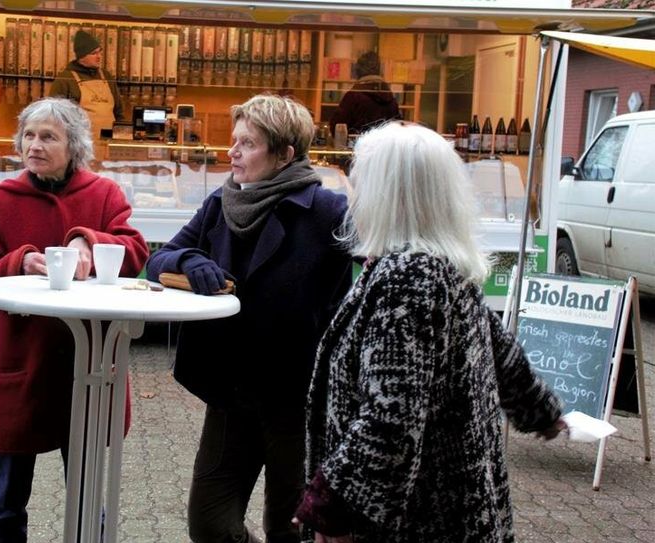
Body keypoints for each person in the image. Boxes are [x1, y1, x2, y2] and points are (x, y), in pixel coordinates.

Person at [294, 121, 567, 543]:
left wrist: (335, 509)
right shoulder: (441, 265)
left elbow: (390, 419)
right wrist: (540, 411)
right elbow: (502, 352)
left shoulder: (409, 277)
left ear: (389, 195)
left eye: (362, 183)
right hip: (459, 513)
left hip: (419, 520)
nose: (355, 196)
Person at [146, 93, 353, 543]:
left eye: (248, 143)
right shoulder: (222, 203)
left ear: (284, 155)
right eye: (234, 140)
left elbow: (378, 262)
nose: (232, 152)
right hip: (231, 392)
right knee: (210, 524)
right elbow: (157, 259)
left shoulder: (327, 211)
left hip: (296, 397)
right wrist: (186, 261)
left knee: (290, 528)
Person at [0, 97, 148, 543]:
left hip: (85, 367)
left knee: (85, 494)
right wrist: (19, 261)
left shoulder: (103, 194)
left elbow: (135, 252)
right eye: (29, 135)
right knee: (8, 494)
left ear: (74, 145)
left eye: (48, 136)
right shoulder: (3, 199)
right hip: (23, 361)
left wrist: (89, 242)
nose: (35, 145)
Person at [48, 29, 124, 138]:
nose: (99, 57)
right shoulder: (66, 79)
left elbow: (119, 112)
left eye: (99, 52)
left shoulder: (106, 76)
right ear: (81, 56)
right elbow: (55, 115)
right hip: (81, 143)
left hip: (109, 141)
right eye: (94, 53)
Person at [329, 51, 401, 136]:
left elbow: (337, 127)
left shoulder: (353, 97)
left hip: (358, 147)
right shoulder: (390, 99)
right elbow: (397, 129)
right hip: (384, 148)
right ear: (380, 70)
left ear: (357, 71)